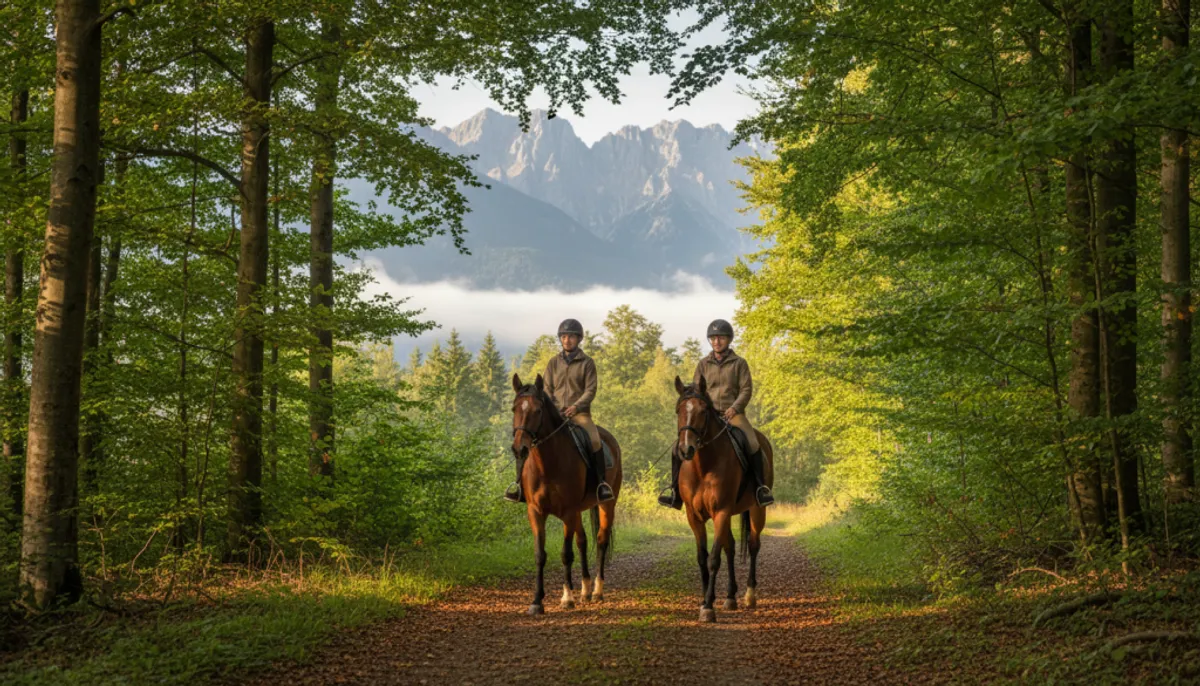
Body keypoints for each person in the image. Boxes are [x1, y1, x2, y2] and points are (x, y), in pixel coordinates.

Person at [659, 319, 775, 509]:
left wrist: (735, 408)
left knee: (753, 443)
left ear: (728, 339)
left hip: (733, 414)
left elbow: (746, 389)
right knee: (677, 447)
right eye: (713, 338)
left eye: (720, 338)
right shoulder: (703, 364)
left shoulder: (739, 363)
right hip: (707, 415)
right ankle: (675, 492)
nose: (716, 341)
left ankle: (760, 489)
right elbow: (697, 390)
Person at [505, 318, 615, 503]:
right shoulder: (553, 362)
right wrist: (555, 409)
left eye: (571, 337)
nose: (567, 340)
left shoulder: (587, 363)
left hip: (580, 415)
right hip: (555, 414)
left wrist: (576, 407)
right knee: (526, 439)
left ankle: (601, 485)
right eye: (564, 337)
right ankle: (519, 486)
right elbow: (546, 389)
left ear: (578, 339)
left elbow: (590, 389)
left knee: (595, 441)